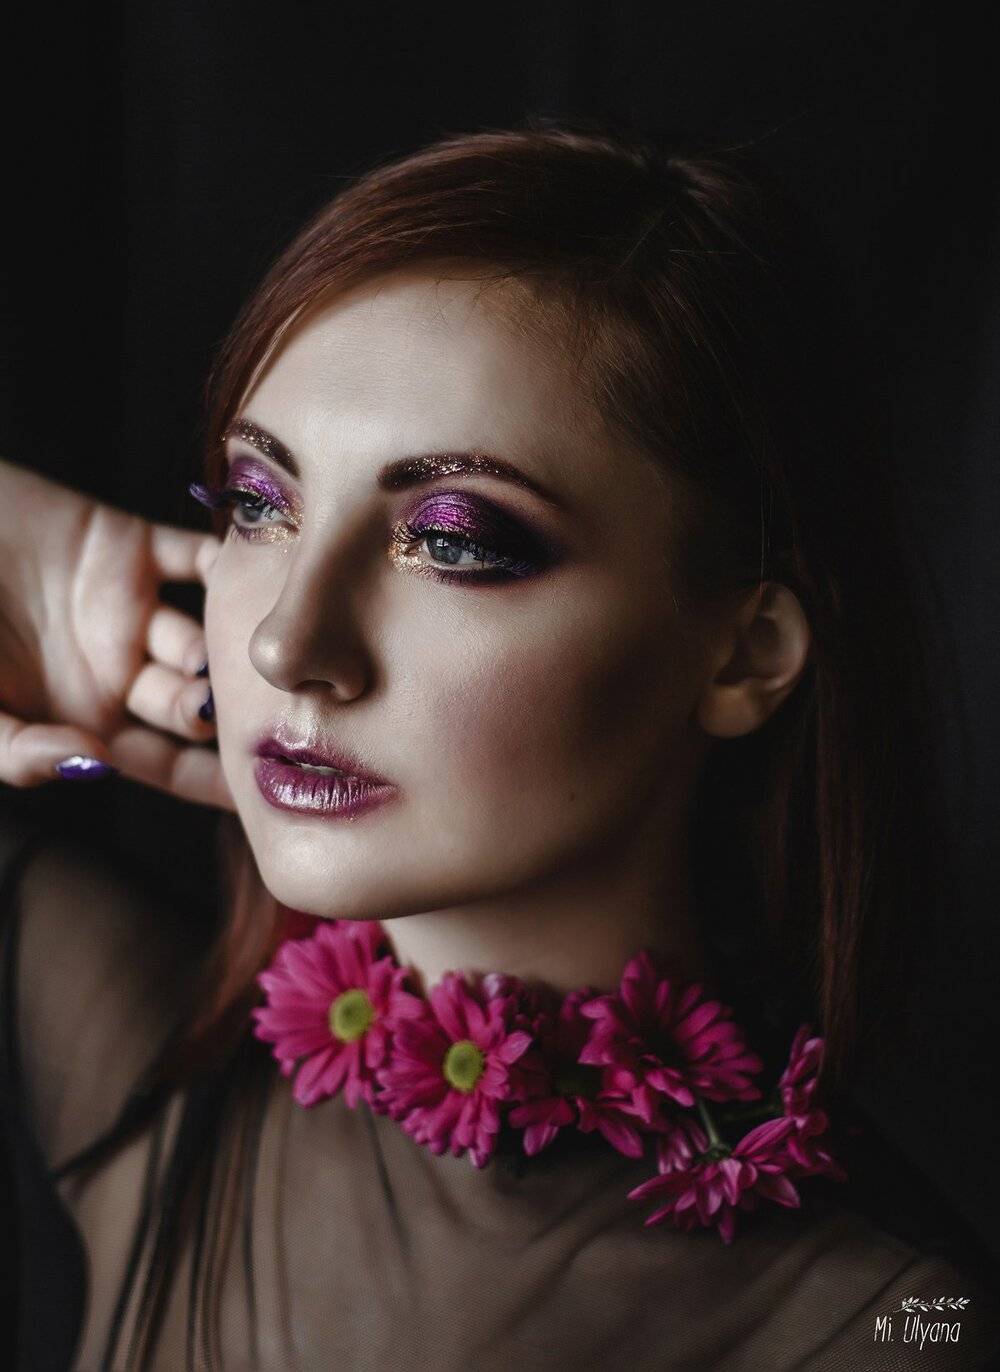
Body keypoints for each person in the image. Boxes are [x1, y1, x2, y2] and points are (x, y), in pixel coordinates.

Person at [1, 121, 997, 1370]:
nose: (285, 643)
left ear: (742, 655)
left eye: (455, 541)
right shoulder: (137, 1061)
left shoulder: (902, 1328)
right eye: (259, 504)